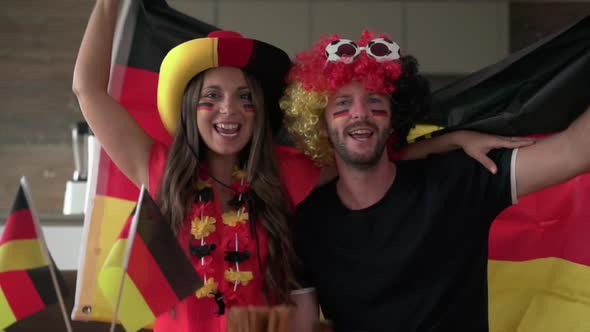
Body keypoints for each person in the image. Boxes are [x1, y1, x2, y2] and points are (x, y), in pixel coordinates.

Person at [73, 2, 532, 330]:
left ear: (259, 115)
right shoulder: (155, 169)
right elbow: (88, 90)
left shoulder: (282, 175)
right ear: (192, 109)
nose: (228, 111)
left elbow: (364, 154)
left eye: (244, 99)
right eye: (211, 98)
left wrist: (447, 141)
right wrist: (110, 3)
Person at [282, 31, 590, 332]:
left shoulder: (458, 180)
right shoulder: (305, 221)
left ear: (393, 120)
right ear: (320, 126)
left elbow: (574, 150)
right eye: (342, 105)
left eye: (375, 102)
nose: (360, 114)